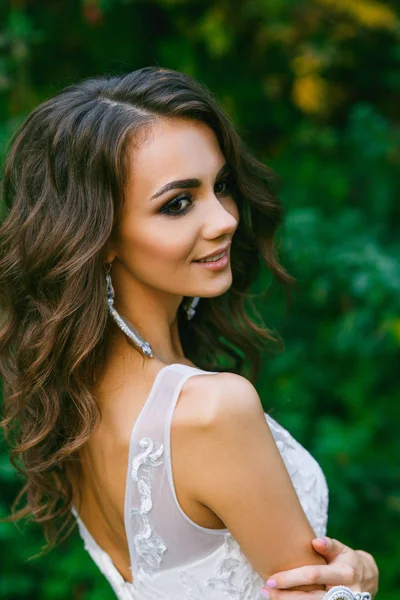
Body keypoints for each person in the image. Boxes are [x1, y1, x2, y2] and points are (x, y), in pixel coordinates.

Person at [0, 67, 378, 600]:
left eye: (220, 186)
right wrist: (361, 580)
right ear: (99, 235)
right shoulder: (211, 411)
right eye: (178, 203)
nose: (223, 218)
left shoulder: (73, 403)